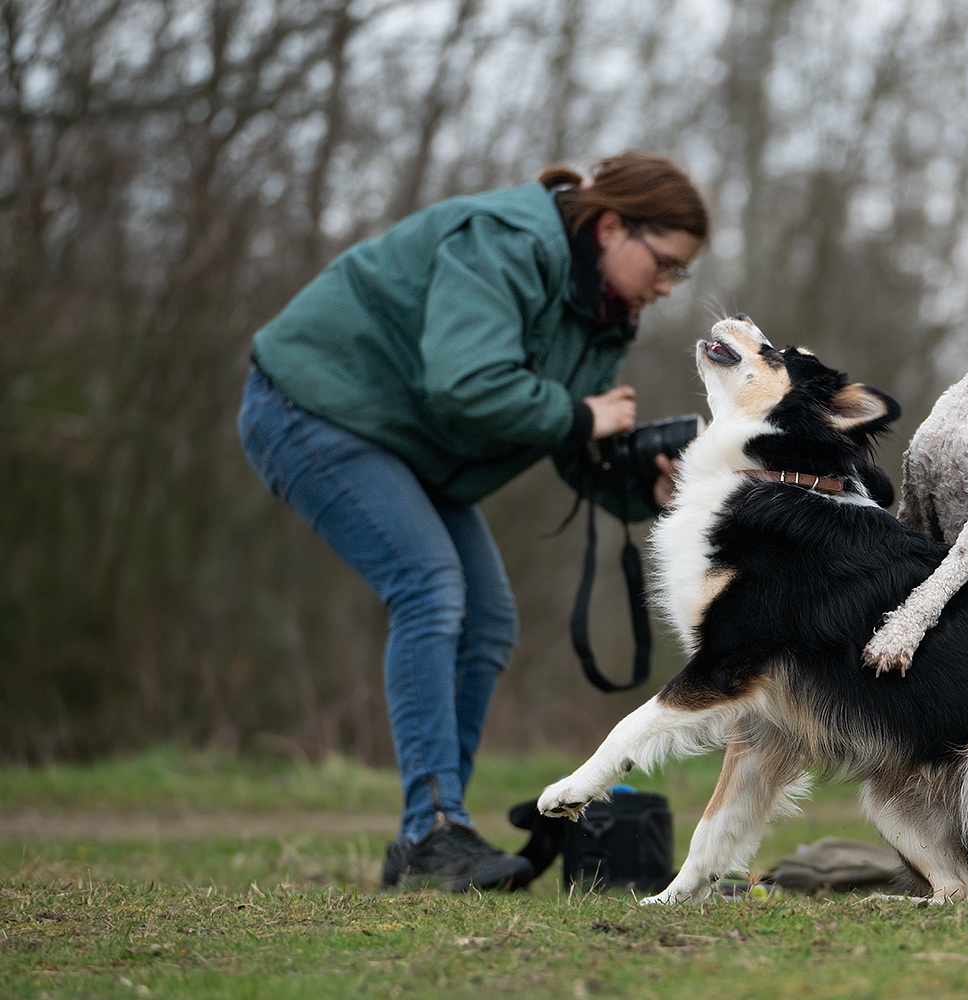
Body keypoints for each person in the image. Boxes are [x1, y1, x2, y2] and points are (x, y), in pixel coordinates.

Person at [237, 152, 709, 892]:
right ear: (613, 226)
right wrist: (583, 413)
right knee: (429, 586)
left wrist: (648, 491)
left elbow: (566, 440)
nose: (668, 285)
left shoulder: (607, 315)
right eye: (666, 263)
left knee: (488, 620)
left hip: (409, 445)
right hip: (312, 407)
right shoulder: (507, 241)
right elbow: (464, 383)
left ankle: (432, 834)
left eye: (680, 274)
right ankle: (430, 831)